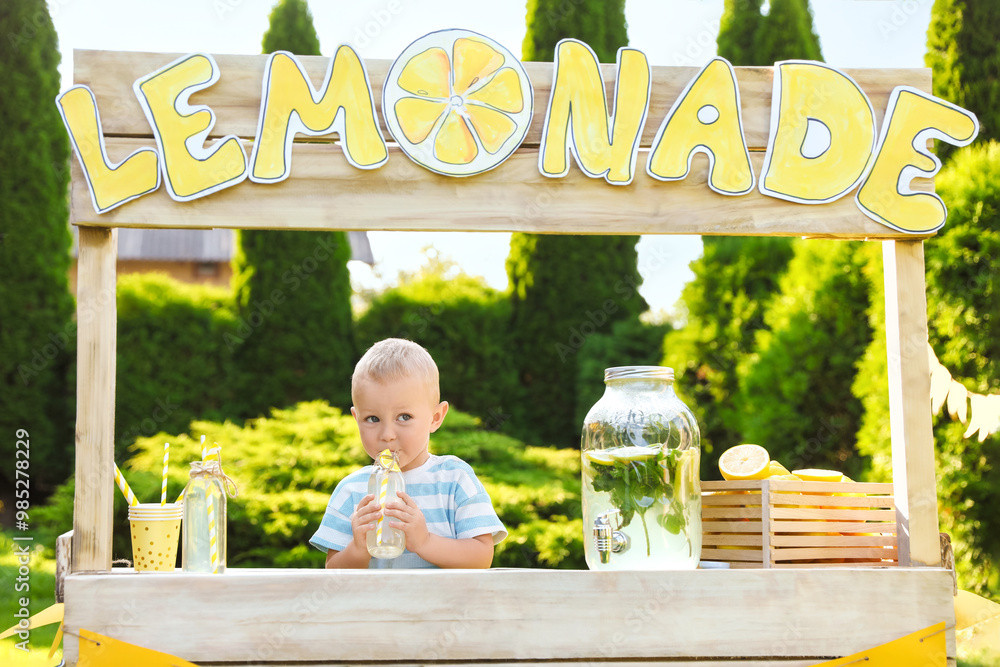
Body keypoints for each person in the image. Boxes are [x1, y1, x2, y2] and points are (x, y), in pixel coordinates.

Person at [310, 338, 507, 568]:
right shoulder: (351, 491)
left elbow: (481, 557)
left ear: (435, 417)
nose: (387, 434)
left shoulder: (454, 480)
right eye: (372, 419)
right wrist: (358, 548)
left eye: (404, 417)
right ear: (357, 419)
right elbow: (333, 572)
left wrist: (425, 542)